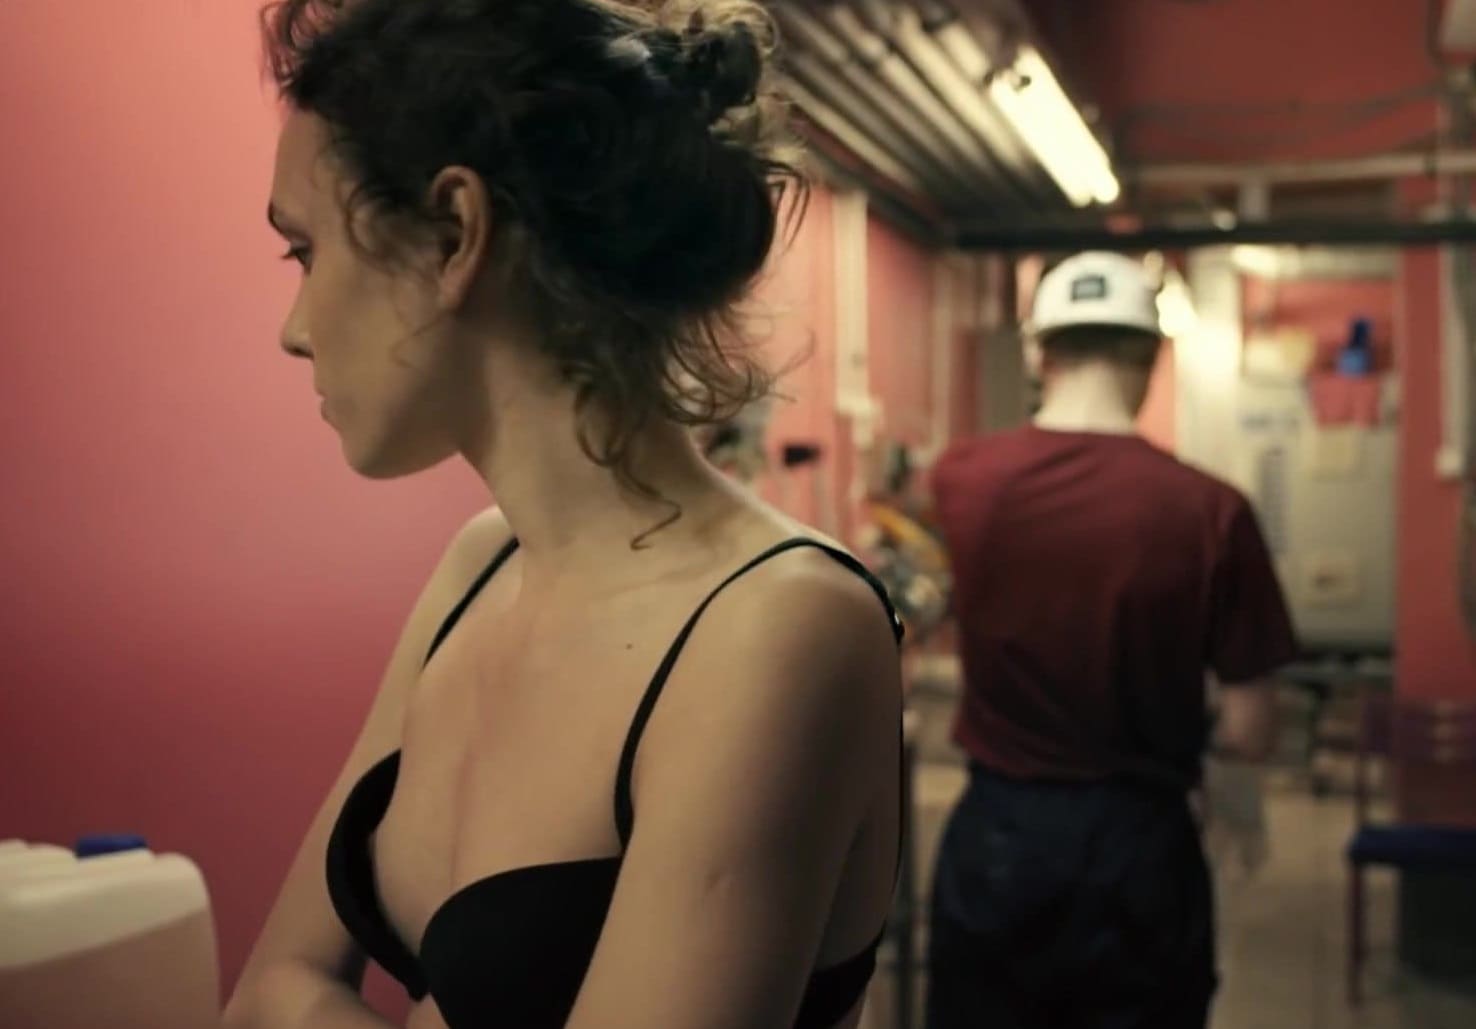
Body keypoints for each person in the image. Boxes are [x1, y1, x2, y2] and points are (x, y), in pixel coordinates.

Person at [223, 2, 904, 1028]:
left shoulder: (781, 626)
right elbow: (268, 991)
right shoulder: (484, 566)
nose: (295, 328)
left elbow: (298, 1003)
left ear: (455, 233)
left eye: (306, 253)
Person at [924, 251, 1299, 1029]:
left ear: (1040, 353)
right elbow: (1251, 730)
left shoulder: (961, 480)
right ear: (1153, 356)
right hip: (1141, 849)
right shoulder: (1212, 510)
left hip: (1000, 838)